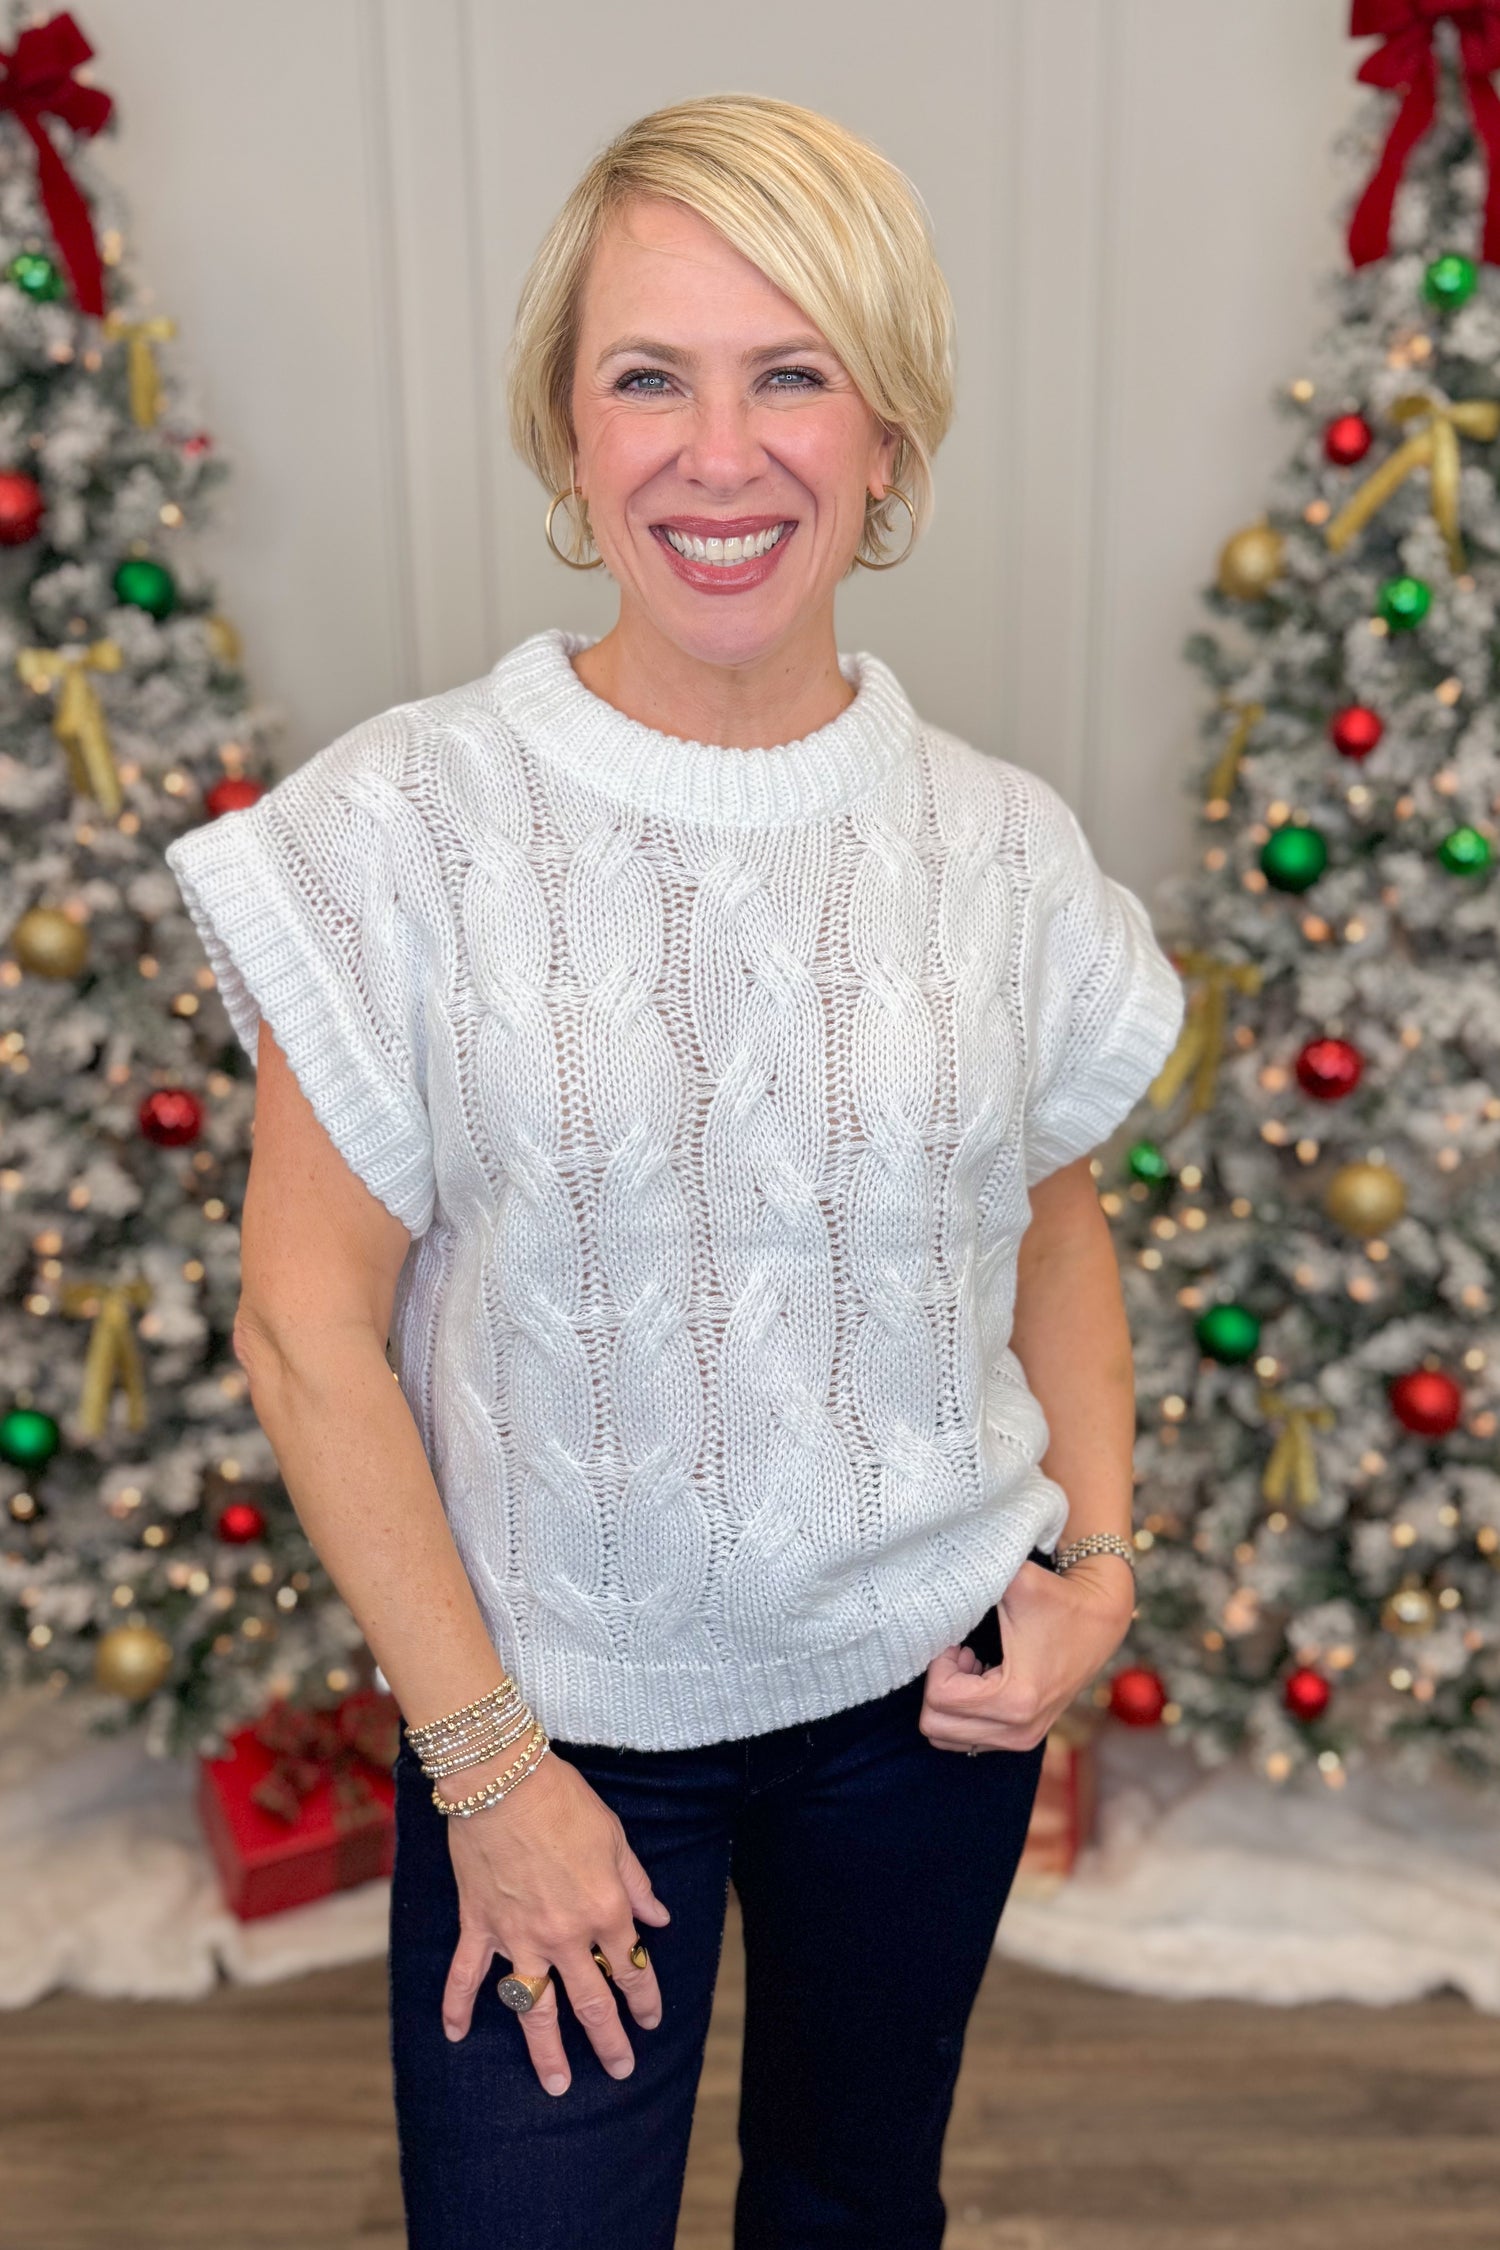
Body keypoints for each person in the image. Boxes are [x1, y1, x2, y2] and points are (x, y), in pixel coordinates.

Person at [164, 92, 1185, 2250]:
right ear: (568, 425)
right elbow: (305, 1324)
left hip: (928, 1704)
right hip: (549, 1722)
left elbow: (1054, 1210)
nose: (720, 454)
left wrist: (1093, 1559)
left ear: (889, 432)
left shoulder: (996, 848)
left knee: (851, 2207)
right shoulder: (404, 833)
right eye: (651, 375)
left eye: (793, 372)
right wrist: (491, 1770)